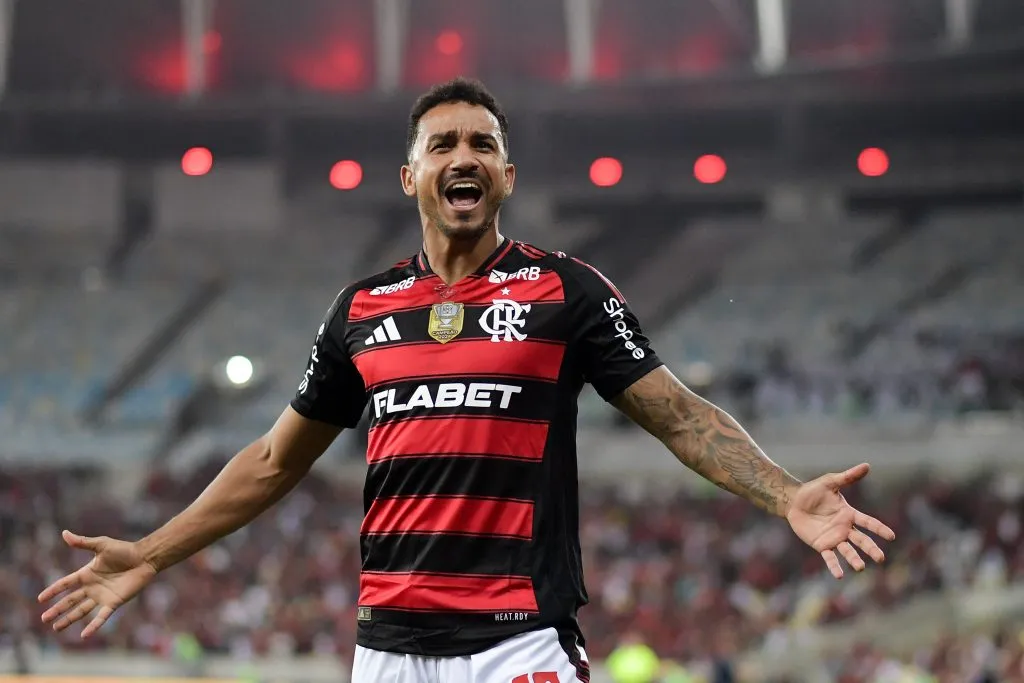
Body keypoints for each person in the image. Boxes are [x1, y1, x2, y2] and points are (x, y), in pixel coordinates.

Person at [38, 78, 895, 683]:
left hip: (516, 644)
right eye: (442, 143)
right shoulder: (361, 308)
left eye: (483, 144)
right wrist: (149, 553)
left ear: (506, 178)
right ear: (410, 176)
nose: (465, 155)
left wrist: (787, 496)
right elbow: (271, 463)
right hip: (386, 646)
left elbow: (677, 415)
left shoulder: (565, 289)